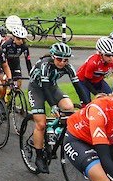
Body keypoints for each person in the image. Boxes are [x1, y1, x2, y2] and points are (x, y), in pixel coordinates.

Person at [26, 42, 81, 173]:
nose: (62, 62)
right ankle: (39, 157)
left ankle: (54, 129)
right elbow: (44, 88)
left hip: (52, 87)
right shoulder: (45, 65)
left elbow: (78, 86)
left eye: (65, 60)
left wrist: (87, 103)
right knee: (41, 124)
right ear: (53, 56)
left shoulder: (69, 67)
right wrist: (53, 106)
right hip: (37, 89)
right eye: (59, 59)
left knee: (68, 106)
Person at [75, 37, 113, 105]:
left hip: (97, 80)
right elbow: (87, 82)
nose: (111, 58)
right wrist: (97, 94)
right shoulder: (93, 62)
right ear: (100, 54)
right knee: (87, 103)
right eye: (108, 55)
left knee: (111, 100)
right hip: (83, 81)